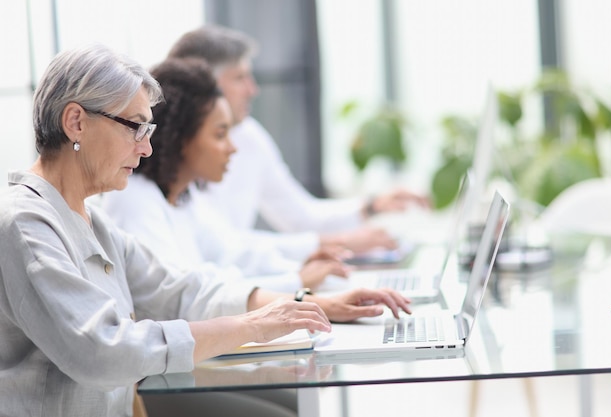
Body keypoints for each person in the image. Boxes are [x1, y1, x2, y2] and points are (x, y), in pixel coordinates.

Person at [0, 44, 412, 417]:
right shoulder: (25, 225)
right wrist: (252, 325)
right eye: (134, 127)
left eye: (149, 132)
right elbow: (102, 350)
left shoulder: (92, 222)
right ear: (76, 122)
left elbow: (182, 289)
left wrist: (308, 302)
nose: (145, 148)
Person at [167, 25, 430, 262]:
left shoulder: (249, 136)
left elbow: (298, 215)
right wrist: (330, 243)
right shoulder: (168, 158)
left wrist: (371, 206)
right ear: (201, 83)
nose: (253, 89)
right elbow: (223, 247)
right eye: (240, 78)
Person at [102, 57, 349, 292]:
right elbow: (185, 293)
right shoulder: (135, 198)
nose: (232, 148)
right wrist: (295, 281)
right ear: (181, 139)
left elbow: (232, 252)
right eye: (220, 135)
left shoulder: (183, 195)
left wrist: (298, 266)